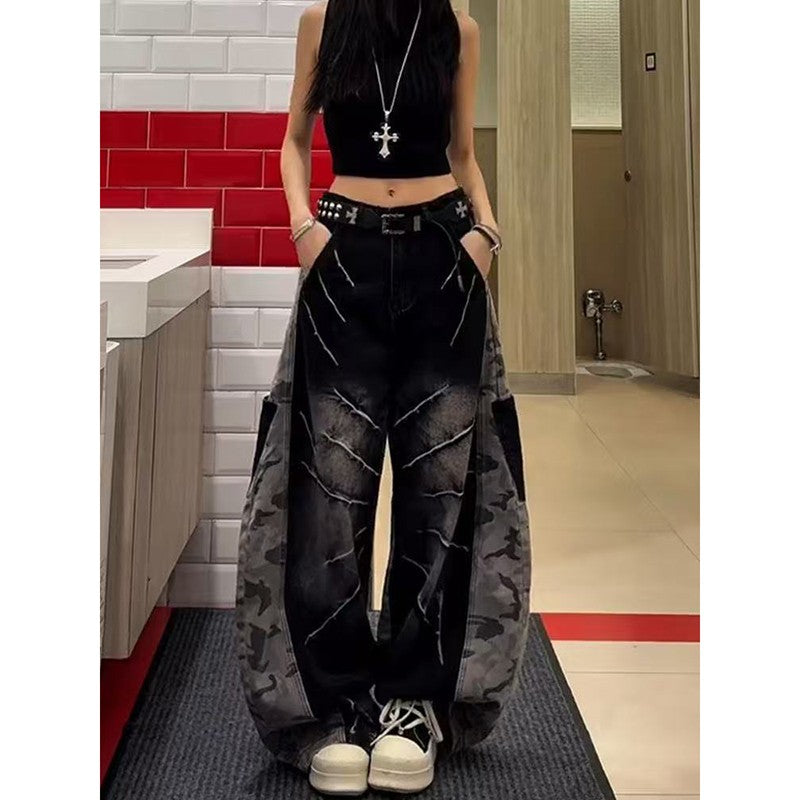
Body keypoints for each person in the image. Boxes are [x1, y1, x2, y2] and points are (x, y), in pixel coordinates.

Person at [235, 1, 532, 795]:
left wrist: (487, 233)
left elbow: (463, 153)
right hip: (345, 256)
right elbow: (295, 142)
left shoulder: (458, 29)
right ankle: (333, 706)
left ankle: (412, 703)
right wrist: (303, 227)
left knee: (441, 492)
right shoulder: (323, 21)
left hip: (443, 255)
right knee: (328, 493)